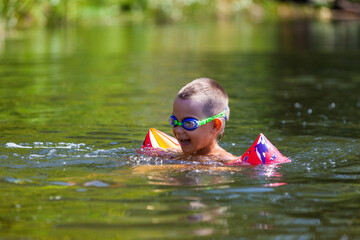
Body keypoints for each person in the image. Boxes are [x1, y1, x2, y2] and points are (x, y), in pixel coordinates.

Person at [170, 77, 238, 162]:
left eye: (189, 123)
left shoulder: (225, 161)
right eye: (174, 121)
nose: (178, 130)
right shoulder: (177, 153)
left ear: (214, 126)